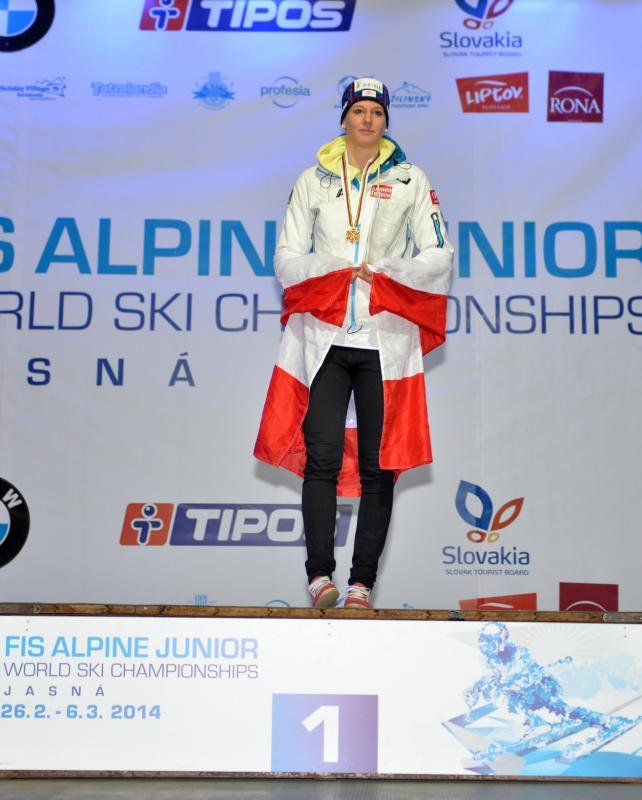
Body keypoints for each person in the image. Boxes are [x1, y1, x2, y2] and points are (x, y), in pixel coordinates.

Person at [254, 78, 454, 609]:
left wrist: (386, 271)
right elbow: (285, 259)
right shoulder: (312, 181)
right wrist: (333, 269)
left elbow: (439, 254)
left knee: (379, 464)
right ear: (343, 118)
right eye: (359, 110)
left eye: (377, 112)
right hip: (323, 337)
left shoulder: (411, 179)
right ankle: (319, 576)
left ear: (387, 121)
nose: (368, 119)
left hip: (385, 340)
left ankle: (362, 584)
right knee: (320, 458)